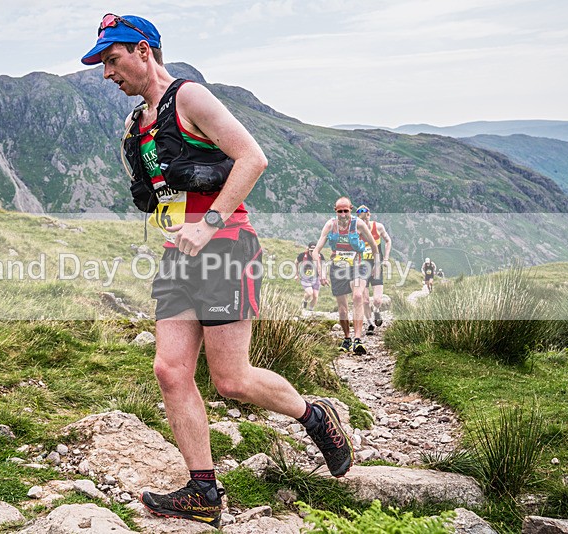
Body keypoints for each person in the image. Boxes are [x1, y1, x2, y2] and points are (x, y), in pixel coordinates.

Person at [81, 13, 353, 528]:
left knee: (231, 380)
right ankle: (203, 490)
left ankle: (315, 416)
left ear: (143, 51)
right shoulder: (138, 123)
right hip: (178, 254)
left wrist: (206, 224)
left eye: (112, 60)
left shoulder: (189, 98)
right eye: (101, 64)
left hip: (225, 246)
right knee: (170, 370)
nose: (106, 73)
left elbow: (253, 158)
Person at [312, 198, 380, 355]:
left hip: (359, 265)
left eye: (346, 211)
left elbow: (374, 246)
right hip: (338, 268)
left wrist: (376, 265)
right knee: (342, 309)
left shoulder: (359, 224)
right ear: (335, 210)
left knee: (357, 296)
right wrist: (321, 272)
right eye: (339, 211)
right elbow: (316, 251)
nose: (343, 214)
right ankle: (347, 337)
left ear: (351, 209)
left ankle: (357, 339)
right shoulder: (330, 225)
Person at [355, 205, 392, 336]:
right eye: (360, 221)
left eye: (364, 220)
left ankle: (376, 310)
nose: (362, 224)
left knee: (377, 300)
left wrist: (386, 259)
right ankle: (370, 324)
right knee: (364, 300)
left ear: (369, 216)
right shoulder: (356, 232)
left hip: (376, 266)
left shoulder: (379, 227)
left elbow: (388, 241)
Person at [295, 242, 321, 313]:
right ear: (308, 249)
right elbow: (296, 262)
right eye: (311, 250)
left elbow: (323, 266)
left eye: (314, 250)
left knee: (315, 296)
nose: (312, 252)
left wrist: (323, 277)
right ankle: (305, 301)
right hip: (305, 277)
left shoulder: (320, 256)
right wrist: (296, 274)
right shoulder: (303, 255)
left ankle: (310, 310)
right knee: (310, 293)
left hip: (316, 278)